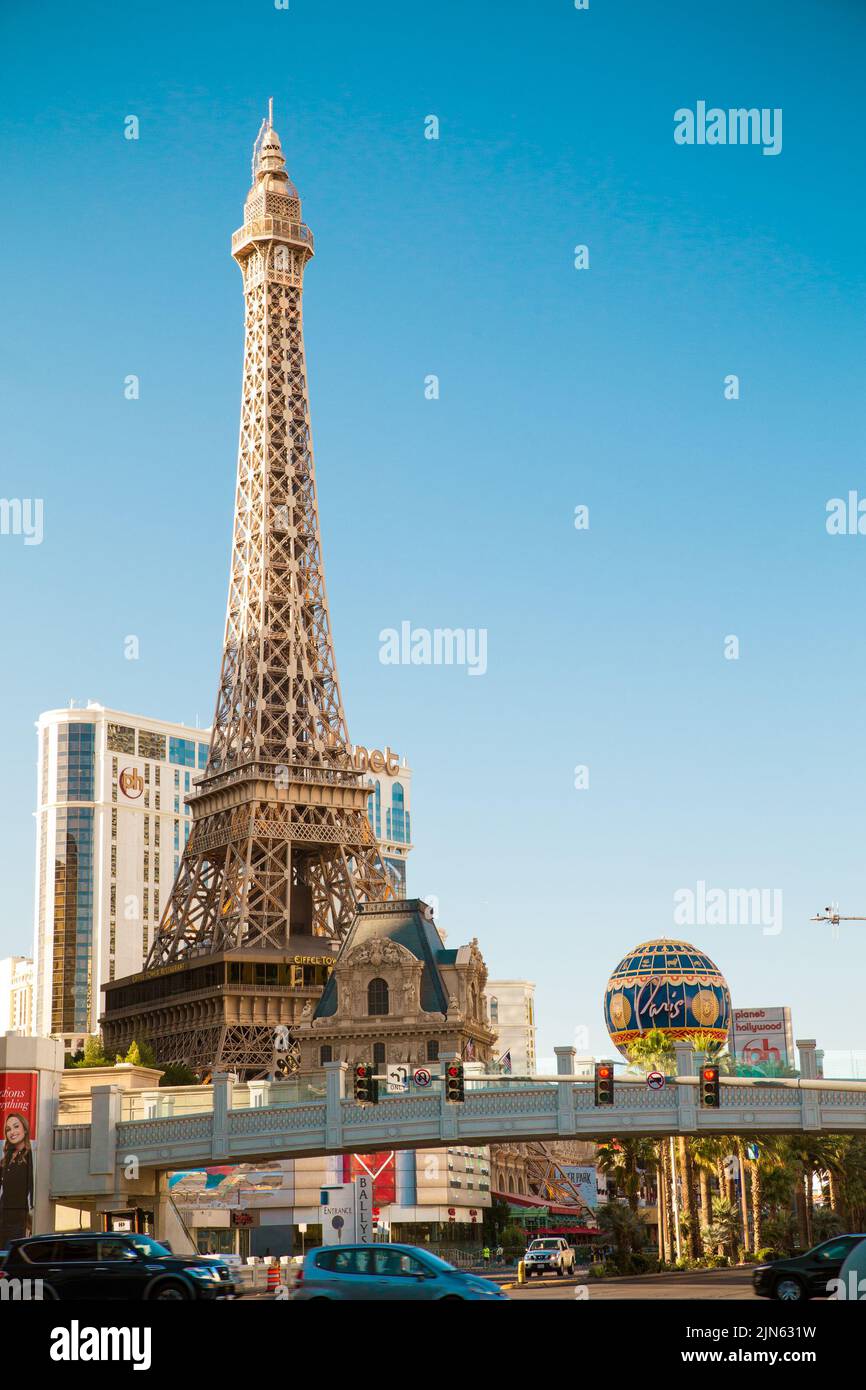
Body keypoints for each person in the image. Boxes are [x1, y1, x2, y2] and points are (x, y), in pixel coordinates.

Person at [0, 1112, 34, 1244]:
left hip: (18, 1218)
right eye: (8, 1129)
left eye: (16, 1127)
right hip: (2, 1216)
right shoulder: (7, 1157)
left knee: (10, 1257)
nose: (12, 1132)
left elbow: (32, 1186)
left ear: (25, 1129)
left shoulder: (30, 1155)